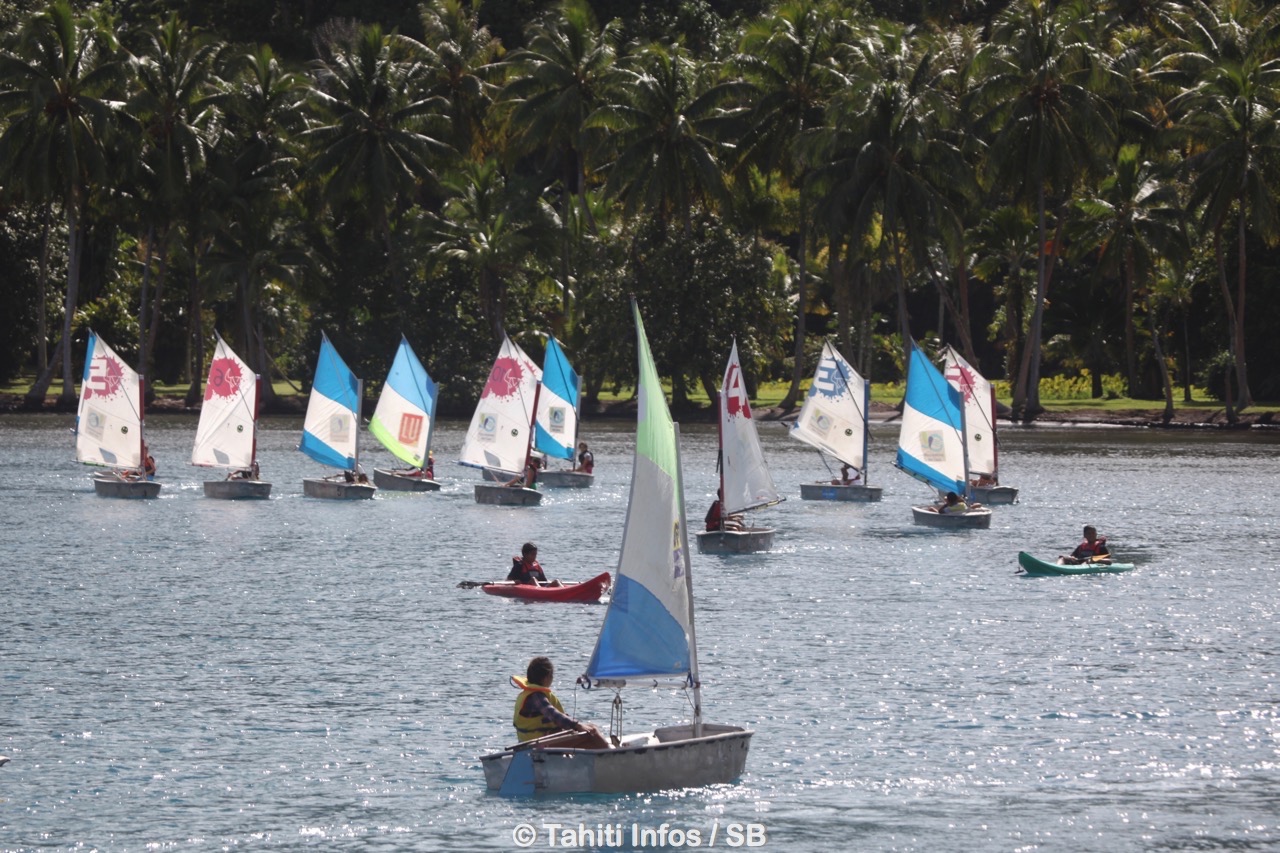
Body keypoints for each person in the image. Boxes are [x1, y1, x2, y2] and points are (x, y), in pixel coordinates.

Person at [511, 656, 611, 749]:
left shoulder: (531, 693)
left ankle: (607, 754)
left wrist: (577, 725)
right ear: (546, 678)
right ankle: (612, 753)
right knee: (592, 732)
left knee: (591, 729)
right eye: (552, 675)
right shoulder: (536, 697)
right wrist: (578, 725)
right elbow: (553, 714)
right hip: (536, 743)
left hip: (539, 738)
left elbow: (555, 717)